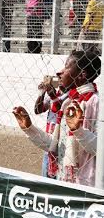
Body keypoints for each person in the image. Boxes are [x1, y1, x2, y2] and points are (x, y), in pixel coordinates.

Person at [13, 50, 100, 186]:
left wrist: (78, 130)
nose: (60, 72)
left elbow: (100, 148)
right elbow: (55, 146)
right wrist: (29, 129)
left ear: (82, 75)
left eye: (66, 67)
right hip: (65, 179)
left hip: (86, 184)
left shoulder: (95, 102)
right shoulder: (68, 102)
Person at [33, 75, 68, 179]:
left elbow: (59, 106)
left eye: (62, 76)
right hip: (50, 141)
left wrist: (51, 93)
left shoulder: (70, 95)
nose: (60, 79)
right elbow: (38, 110)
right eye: (58, 77)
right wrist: (42, 92)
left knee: (59, 175)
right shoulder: (54, 94)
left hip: (62, 141)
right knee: (46, 176)